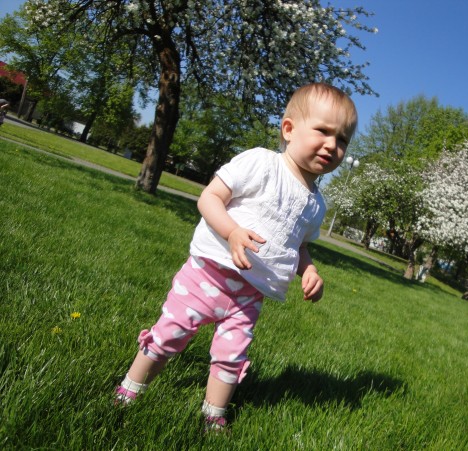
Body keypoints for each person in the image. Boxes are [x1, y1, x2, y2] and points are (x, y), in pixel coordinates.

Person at [114, 83, 358, 432]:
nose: (333, 146)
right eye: (323, 131)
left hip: (249, 295)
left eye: (343, 140)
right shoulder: (260, 163)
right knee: (169, 334)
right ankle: (129, 391)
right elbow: (209, 197)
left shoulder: (316, 204)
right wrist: (231, 232)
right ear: (289, 130)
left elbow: (300, 244)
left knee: (231, 356)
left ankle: (213, 415)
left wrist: (309, 269)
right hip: (207, 276)